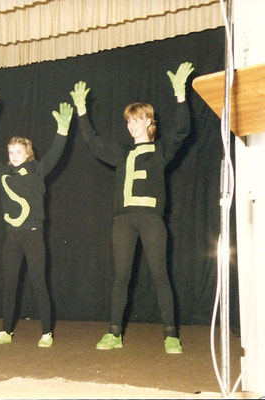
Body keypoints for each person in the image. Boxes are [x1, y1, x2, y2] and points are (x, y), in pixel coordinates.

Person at [70, 62, 194, 354]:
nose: (131, 125)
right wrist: (81, 111)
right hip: (123, 220)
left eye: (136, 120)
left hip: (151, 219)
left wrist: (180, 95)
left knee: (160, 275)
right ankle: (114, 333)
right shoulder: (121, 152)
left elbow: (181, 130)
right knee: (121, 276)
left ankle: (170, 335)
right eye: (128, 121)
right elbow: (92, 141)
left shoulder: (160, 150)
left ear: (149, 121)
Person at [0, 101, 73, 348]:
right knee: (9, 285)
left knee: (39, 283)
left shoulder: (37, 170)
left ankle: (46, 332)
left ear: (28, 154)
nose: (14, 157)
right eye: (11, 153)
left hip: (33, 236)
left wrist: (62, 131)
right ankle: (6, 331)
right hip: (12, 237)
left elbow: (55, 153)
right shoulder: (2, 173)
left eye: (18, 153)